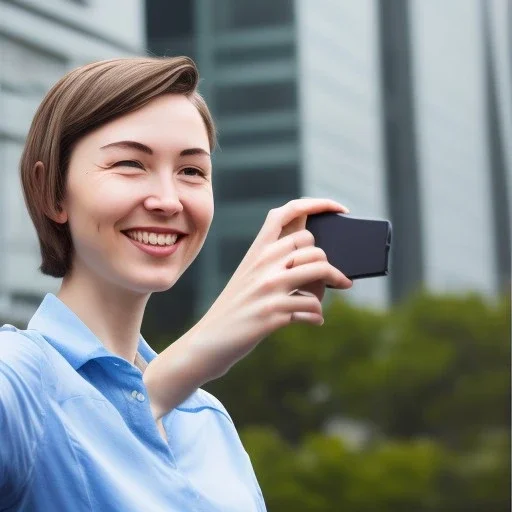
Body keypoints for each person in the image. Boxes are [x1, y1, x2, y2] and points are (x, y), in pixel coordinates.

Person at [0, 56, 352, 511]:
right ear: (51, 191)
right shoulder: (20, 376)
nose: (168, 201)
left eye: (192, 171)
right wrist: (182, 367)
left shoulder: (207, 420)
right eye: (130, 164)